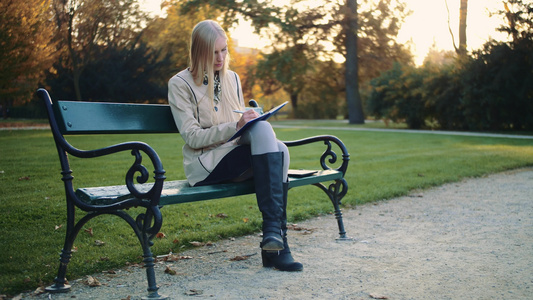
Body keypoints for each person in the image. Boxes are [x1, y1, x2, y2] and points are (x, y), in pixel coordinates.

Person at [168, 20, 303, 272]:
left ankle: (274, 241)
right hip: (205, 163)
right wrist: (236, 125)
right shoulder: (180, 84)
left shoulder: (232, 78)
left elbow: (239, 133)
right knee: (276, 148)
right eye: (213, 52)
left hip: (231, 156)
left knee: (278, 146)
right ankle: (277, 243)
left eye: (224, 50)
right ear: (199, 52)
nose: (220, 58)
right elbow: (192, 137)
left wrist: (252, 122)